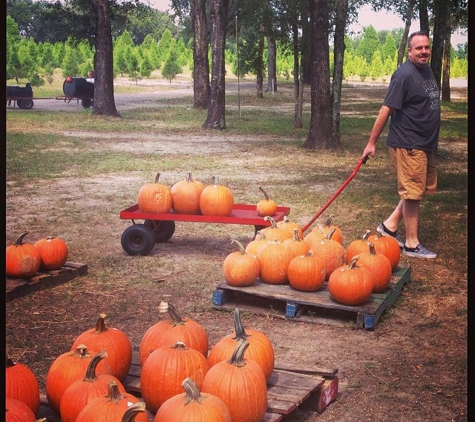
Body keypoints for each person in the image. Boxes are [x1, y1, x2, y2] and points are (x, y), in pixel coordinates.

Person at [361, 31, 440, 259]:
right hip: (409, 143)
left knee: (414, 189)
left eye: (426, 47)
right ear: (409, 51)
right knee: (413, 193)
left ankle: (389, 226)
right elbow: (386, 109)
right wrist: (371, 143)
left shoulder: (426, 69)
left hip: (424, 144)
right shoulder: (404, 75)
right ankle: (411, 244)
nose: (424, 51)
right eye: (419, 48)